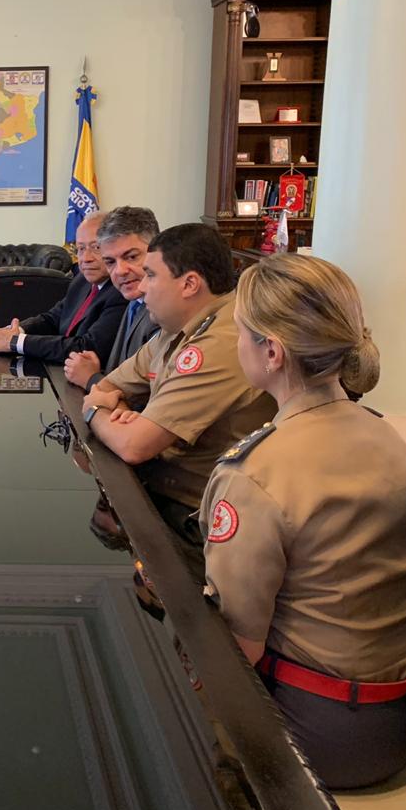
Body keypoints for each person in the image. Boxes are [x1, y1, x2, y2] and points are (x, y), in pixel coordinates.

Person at [200, 254, 406, 789]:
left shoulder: (255, 474)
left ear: (272, 351)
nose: (234, 343)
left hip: (326, 735)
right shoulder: (387, 434)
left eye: (239, 331)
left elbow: (239, 647)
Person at [81, 223, 274, 571]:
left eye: (151, 276)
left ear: (189, 284)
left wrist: (95, 413)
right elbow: (108, 387)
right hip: (161, 495)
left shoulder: (223, 339)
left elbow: (134, 446)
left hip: (200, 524)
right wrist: (118, 411)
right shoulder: (176, 326)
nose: (140, 287)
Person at [0, 211, 125, 363]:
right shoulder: (81, 280)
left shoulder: (120, 292)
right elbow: (52, 319)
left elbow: (86, 347)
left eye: (95, 247)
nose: (85, 258)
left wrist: (15, 342)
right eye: (81, 248)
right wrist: (13, 331)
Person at [65, 206, 162, 390]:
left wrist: (92, 378)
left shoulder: (164, 313)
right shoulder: (134, 299)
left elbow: (146, 399)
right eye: (110, 261)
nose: (120, 271)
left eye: (132, 257)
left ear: (156, 250)